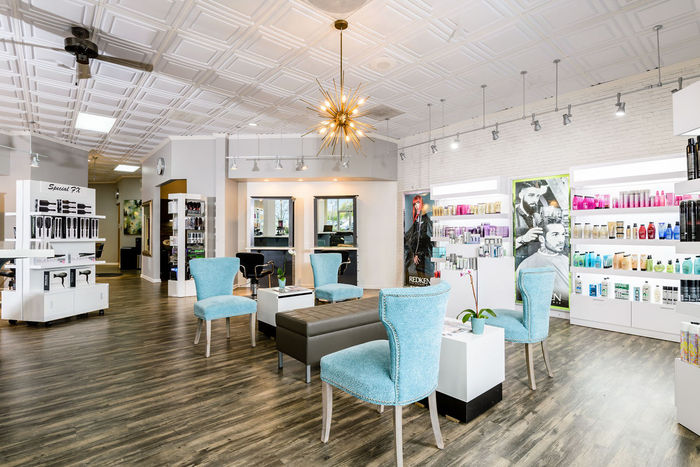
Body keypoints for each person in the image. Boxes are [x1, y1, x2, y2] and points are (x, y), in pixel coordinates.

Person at [516, 221, 569, 307]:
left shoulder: (567, 261)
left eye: (563, 234)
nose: (561, 240)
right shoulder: (526, 264)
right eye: (555, 234)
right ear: (541, 239)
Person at [514, 182, 547, 260]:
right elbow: (503, 247)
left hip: (535, 261)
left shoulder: (538, 217)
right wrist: (523, 239)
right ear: (521, 195)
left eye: (537, 196)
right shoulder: (512, 216)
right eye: (531, 195)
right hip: (518, 263)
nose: (535, 200)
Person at [404, 194, 433, 281]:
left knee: (422, 274)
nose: (416, 206)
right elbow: (413, 236)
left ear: (422, 204)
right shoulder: (417, 219)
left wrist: (417, 254)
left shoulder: (424, 220)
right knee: (417, 272)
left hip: (423, 253)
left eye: (418, 203)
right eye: (414, 204)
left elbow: (423, 238)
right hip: (417, 252)